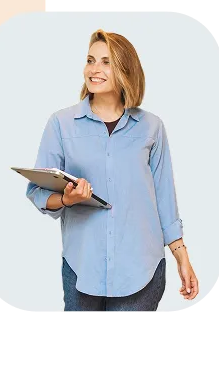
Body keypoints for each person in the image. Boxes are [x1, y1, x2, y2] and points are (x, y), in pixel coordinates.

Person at [25, 29, 199, 312]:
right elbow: (39, 191)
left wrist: (182, 258)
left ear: (125, 69)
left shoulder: (151, 127)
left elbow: (165, 200)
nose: (94, 69)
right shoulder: (61, 123)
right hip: (82, 268)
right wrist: (68, 199)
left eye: (106, 62)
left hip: (141, 269)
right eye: (90, 59)